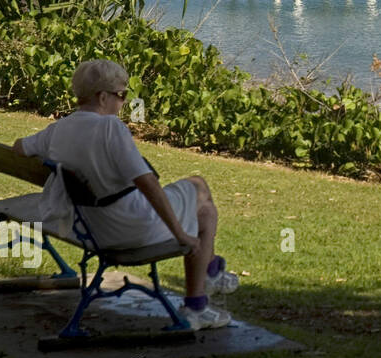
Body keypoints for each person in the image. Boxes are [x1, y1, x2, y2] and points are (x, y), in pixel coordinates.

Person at [12, 60, 239, 331]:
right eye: (122, 95)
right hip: (128, 227)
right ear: (103, 96)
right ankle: (198, 300)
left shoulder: (59, 128)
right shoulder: (110, 128)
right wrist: (180, 235)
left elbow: (18, 148)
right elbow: (149, 185)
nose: (124, 102)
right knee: (202, 199)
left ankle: (210, 270)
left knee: (196, 190)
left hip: (89, 226)